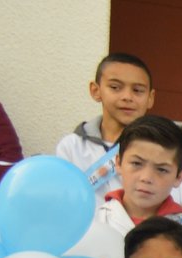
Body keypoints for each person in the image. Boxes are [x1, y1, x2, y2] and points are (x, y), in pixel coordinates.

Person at [56, 52, 155, 198]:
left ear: (150, 98)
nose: (127, 97)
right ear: (96, 91)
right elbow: (62, 199)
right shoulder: (72, 146)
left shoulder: (159, 150)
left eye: (137, 90)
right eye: (115, 87)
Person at [94, 114, 182, 233]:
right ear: (118, 163)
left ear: (179, 177)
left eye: (162, 170)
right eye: (136, 163)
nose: (146, 178)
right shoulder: (94, 222)